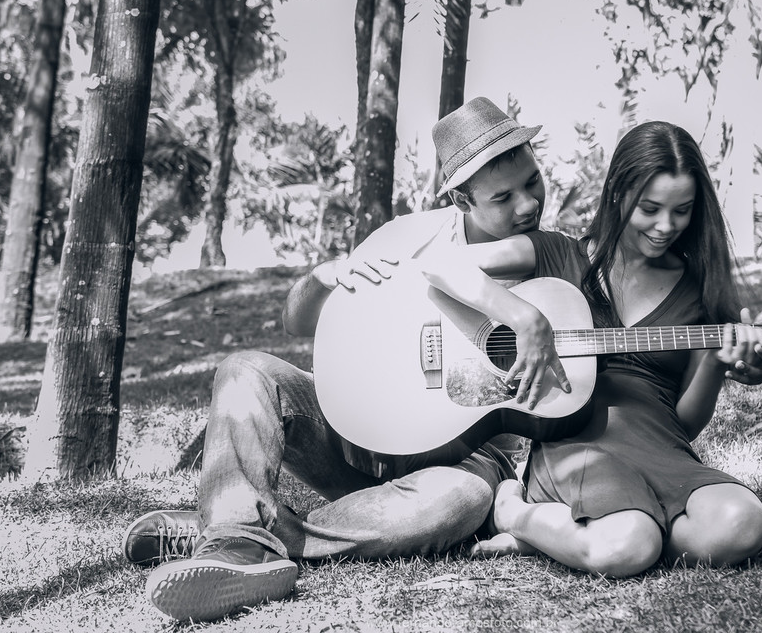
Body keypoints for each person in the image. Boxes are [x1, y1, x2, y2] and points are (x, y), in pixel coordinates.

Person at [124, 97, 570, 622]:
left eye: (533, 182)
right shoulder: (409, 235)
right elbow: (298, 323)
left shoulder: (554, 260)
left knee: (462, 501)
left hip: (460, 461)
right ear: (461, 199)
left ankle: (234, 535)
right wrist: (321, 278)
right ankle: (236, 541)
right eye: (504, 196)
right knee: (244, 370)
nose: (526, 205)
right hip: (359, 436)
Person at [413, 119, 762, 578]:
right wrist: (524, 318)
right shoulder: (556, 253)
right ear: (617, 194)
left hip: (660, 448)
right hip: (576, 445)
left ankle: (580, 535)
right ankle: (513, 511)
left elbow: (683, 424)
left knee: (742, 525)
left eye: (682, 210)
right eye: (649, 208)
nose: (665, 226)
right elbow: (438, 264)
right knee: (628, 545)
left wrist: (717, 361)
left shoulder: (699, 291)